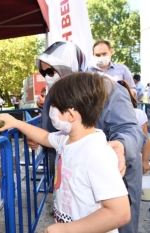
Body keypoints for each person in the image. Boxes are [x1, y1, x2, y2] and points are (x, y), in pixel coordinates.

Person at [29, 41, 145, 233]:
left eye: (52, 71)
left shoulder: (108, 89)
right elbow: (53, 133)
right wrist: (38, 141)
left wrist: (121, 145)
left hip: (114, 181)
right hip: (74, 188)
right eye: (44, 73)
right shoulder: (54, 95)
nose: (48, 78)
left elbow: (131, 130)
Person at [0, 72, 130, 233]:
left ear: (71, 114)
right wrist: (17, 123)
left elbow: (120, 213)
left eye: (54, 106)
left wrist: (66, 229)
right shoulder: (66, 139)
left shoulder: (97, 153)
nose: (49, 109)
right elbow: (44, 137)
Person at [117, 80, 150, 174]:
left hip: (133, 163)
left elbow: (146, 139)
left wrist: (145, 161)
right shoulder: (103, 115)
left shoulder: (138, 114)